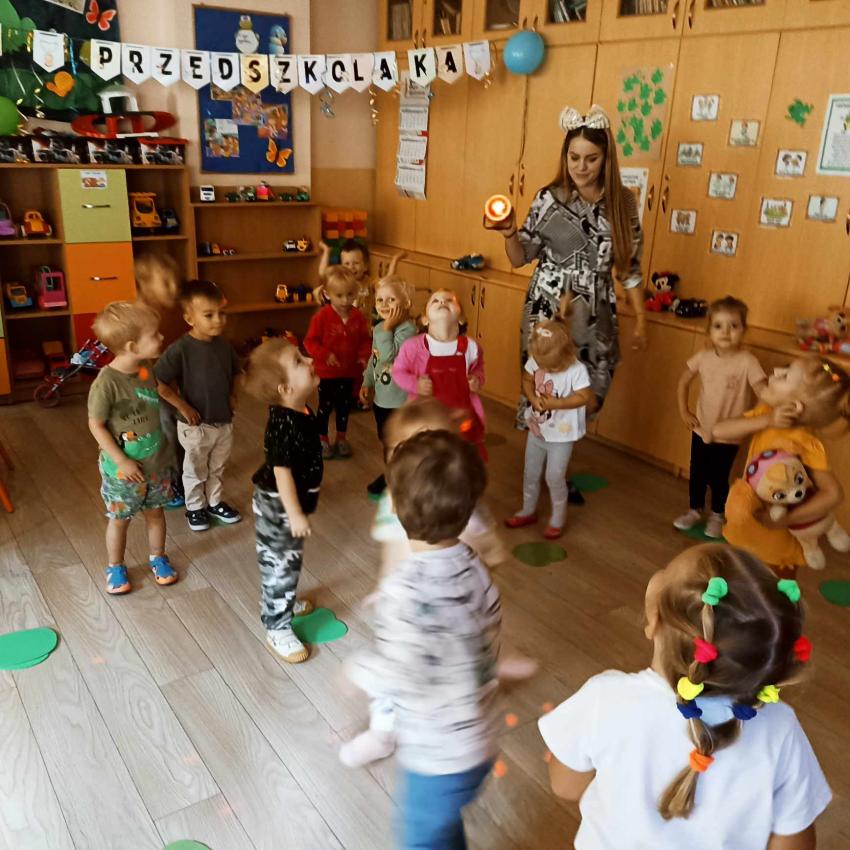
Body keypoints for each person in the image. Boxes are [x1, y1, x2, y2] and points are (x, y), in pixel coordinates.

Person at [539, 544, 830, 849]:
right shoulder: (780, 726)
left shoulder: (606, 698)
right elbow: (794, 840)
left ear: (654, 619)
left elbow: (566, 787)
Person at [344, 429, 500, 850]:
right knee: (442, 828)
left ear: (394, 508)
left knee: (420, 838)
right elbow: (486, 620)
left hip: (437, 758)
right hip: (481, 741)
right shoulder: (474, 565)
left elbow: (401, 674)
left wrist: (355, 669)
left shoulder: (405, 590)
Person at [497, 104, 645, 422]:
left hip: (596, 311)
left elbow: (629, 268)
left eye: (591, 159)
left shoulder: (624, 203)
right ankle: (539, 452)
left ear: (606, 158)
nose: (581, 167)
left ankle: (563, 451)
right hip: (549, 307)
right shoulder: (548, 198)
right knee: (543, 391)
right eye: (574, 157)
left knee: (587, 397)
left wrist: (641, 318)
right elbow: (520, 258)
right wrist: (509, 233)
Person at [715, 357, 850, 576]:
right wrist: (767, 421)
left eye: (785, 375)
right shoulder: (766, 413)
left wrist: (785, 520)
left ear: (794, 406)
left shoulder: (805, 442)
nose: (775, 370)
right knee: (735, 584)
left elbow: (833, 494)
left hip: (777, 551)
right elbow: (718, 431)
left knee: (773, 593)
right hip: (744, 531)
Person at [87, 301, 177, 594]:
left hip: (156, 463)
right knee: (120, 519)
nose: (161, 337)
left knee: (156, 513)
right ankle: (115, 566)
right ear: (132, 346)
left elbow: (157, 389)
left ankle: (158, 557)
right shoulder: (106, 384)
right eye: (154, 334)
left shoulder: (145, 367)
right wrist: (121, 460)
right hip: (123, 472)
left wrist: (181, 405)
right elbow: (96, 425)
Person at [243, 338, 322, 664]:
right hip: (278, 507)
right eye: (299, 362)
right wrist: (294, 513)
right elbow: (281, 473)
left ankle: (282, 601)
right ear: (285, 389)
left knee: (288, 561)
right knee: (280, 565)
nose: (310, 360)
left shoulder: (301, 409)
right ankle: (277, 626)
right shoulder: (282, 425)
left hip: (290, 505)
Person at [674, 297, 766, 538]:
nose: (725, 332)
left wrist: (754, 419)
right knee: (697, 472)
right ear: (709, 331)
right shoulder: (703, 357)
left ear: (744, 330)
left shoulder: (748, 361)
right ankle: (694, 510)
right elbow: (683, 381)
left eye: (733, 326)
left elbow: (763, 392)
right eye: (718, 326)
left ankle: (717, 514)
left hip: (729, 435)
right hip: (701, 428)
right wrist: (684, 411)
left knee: (719, 476)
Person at [155, 280, 242, 532]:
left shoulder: (224, 346)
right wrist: (182, 406)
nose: (218, 320)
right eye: (209, 315)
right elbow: (159, 382)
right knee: (194, 468)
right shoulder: (181, 349)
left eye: (221, 313)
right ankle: (195, 507)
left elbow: (236, 371)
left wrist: (233, 394)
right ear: (189, 318)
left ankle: (214, 502)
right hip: (195, 425)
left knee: (217, 467)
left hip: (223, 421)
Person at [504, 316, 593, 539]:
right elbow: (527, 380)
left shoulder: (576, 370)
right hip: (538, 430)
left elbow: (584, 396)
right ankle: (528, 510)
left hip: (562, 436)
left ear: (567, 354)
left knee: (554, 477)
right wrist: (533, 398)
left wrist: (557, 404)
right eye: (541, 365)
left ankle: (557, 519)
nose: (544, 369)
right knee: (530, 473)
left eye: (551, 367)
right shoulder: (538, 358)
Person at [392, 289, 487, 460]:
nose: (442, 302)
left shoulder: (472, 347)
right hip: (427, 420)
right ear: (425, 319)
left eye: (450, 300)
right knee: (430, 458)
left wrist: (477, 379)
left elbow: (478, 369)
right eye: (435, 300)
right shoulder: (413, 347)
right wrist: (415, 384)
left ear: (461, 318)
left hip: (461, 419)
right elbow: (398, 372)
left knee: (462, 460)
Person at [304, 266, 372, 459]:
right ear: (327, 294)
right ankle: (323, 439)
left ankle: (341, 438)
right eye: (339, 295)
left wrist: (363, 355)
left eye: (350, 295)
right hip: (327, 373)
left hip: (350, 372)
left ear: (356, 292)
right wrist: (325, 354)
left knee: (344, 407)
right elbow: (310, 342)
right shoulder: (321, 317)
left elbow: (365, 340)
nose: (345, 301)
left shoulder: (358, 317)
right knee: (325, 408)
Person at [359, 274, 418, 495]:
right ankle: (392, 473)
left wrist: (387, 328)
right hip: (382, 400)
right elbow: (375, 358)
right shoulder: (380, 328)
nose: (384, 304)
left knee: (400, 443)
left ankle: (400, 478)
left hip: (400, 402)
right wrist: (367, 381)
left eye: (391, 300)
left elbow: (388, 357)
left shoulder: (407, 331)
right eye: (380, 300)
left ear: (406, 304)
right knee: (386, 441)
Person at [135, 252, 185, 509]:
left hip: (178, 384)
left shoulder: (177, 311)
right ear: (144, 284)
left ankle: (186, 475)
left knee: (185, 431)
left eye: (176, 280)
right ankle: (169, 483)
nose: (174, 288)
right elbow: (141, 370)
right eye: (165, 282)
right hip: (154, 391)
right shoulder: (141, 318)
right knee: (165, 435)